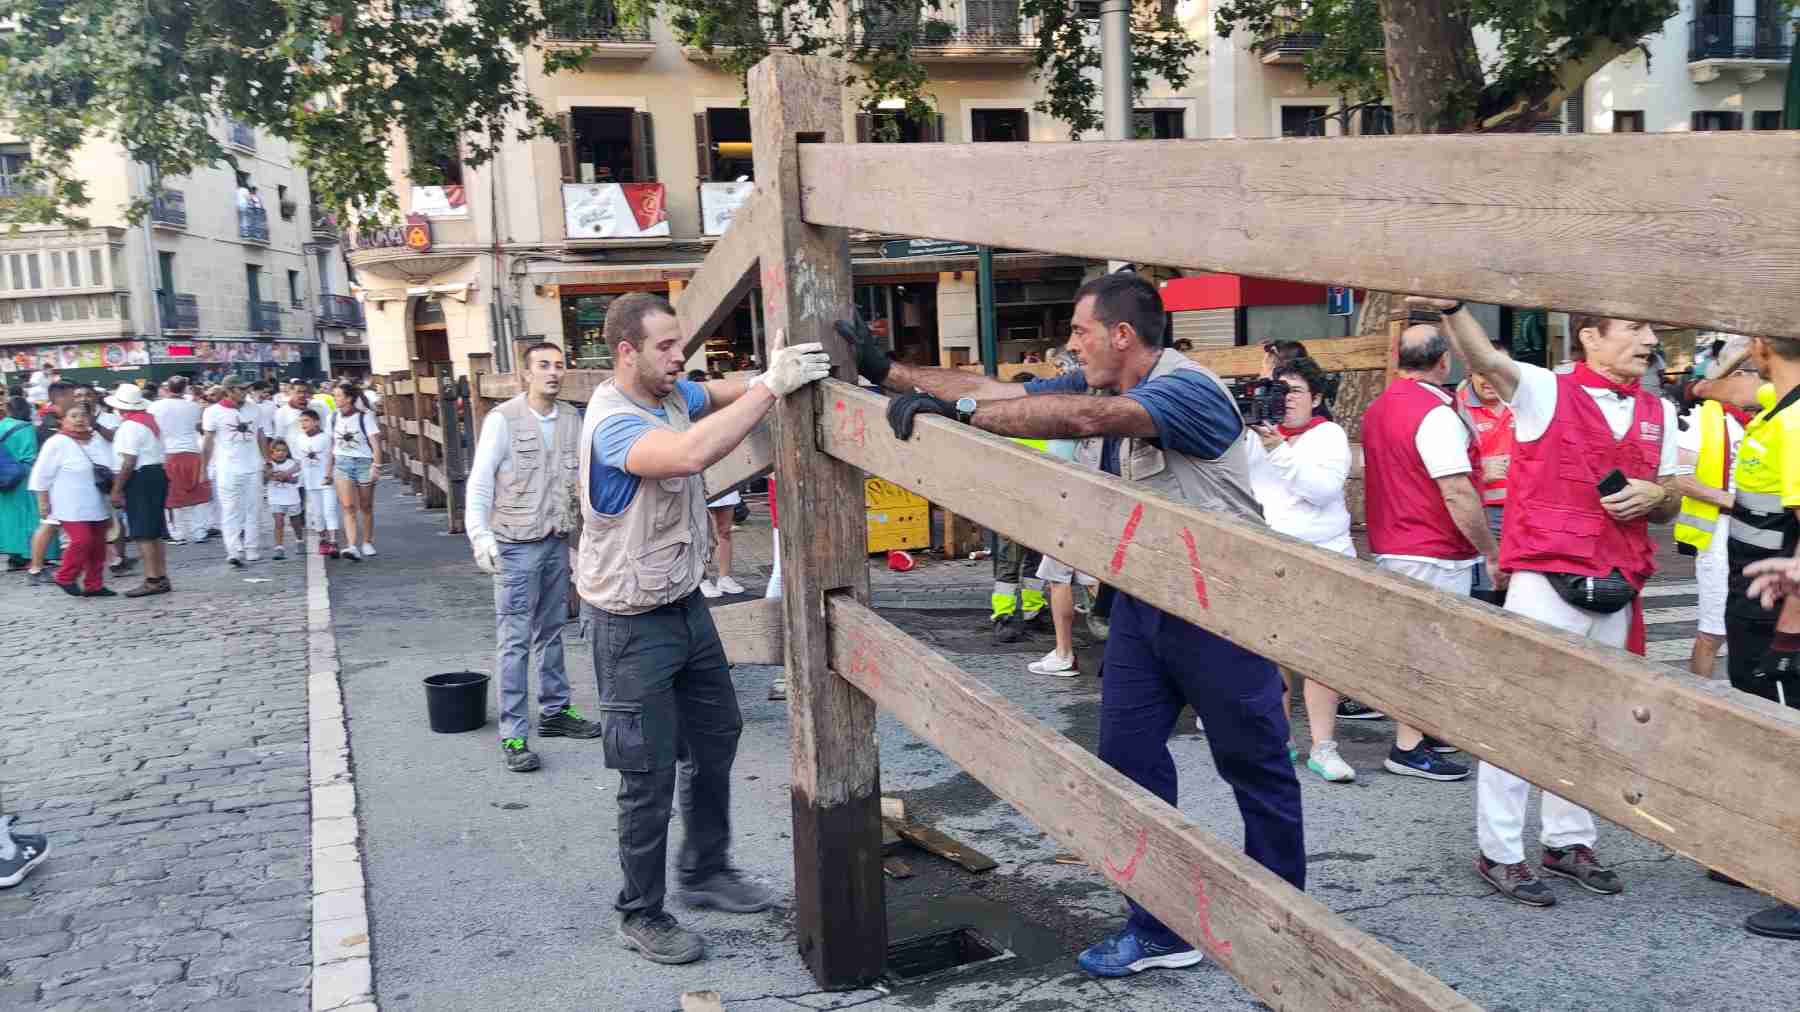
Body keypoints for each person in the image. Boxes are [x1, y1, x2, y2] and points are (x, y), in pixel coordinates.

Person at [866, 273, 1303, 979]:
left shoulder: (1185, 388)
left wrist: (963, 416)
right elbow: (1014, 392)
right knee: (1128, 767)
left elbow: (1082, 422)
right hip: (1142, 603)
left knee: (1255, 767)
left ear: (1121, 336)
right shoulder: (1099, 381)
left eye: (1080, 332)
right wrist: (889, 372)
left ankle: (1287, 935)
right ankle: (1161, 928)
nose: (1071, 345)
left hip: (1221, 606)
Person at [578, 293, 829, 965]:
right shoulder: (613, 426)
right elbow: (689, 455)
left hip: (684, 608)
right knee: (647, 772)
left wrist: (770, 371)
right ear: (626, 352)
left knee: (717, 736)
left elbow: (715, 391)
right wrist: (774, 386)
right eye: (664, 346)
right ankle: (641, 912)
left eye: (679, 344)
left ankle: (704, 869)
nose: (677, 356)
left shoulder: (669, 391)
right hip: (629, 623)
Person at [1426, 297, 1680, 909]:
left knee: (1591, 722)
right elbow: (1484, 356)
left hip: (1617, 583)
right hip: (1547, 580)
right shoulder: (1544, 390)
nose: (1648, 338)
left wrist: (1655, 496)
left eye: (1650, 328)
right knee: (1519, 718)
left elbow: (1670, 498)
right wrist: (1452, 309)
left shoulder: (1660, 411)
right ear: (1589, 336)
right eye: (1634, 326)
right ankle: (1500, 851)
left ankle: (1568, 841)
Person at [1360, 323, 1490, 784]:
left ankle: (1422, 733)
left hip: (1395, 541)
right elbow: (1456, 491)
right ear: (1443, 362)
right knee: (1427, 652)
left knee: (1414, 645)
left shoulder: (1378, 408)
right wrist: (1490, 550)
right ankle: (1409, 745)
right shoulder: (1436, 414)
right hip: (1434, 547)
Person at [465, 342, 600, 773]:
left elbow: (584, 482)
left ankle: (556, 712)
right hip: (515, 545)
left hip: (556, 541)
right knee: (515, 640)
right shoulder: (502, 419)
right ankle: (514, 733)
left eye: (560, 365)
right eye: (543, 366)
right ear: (525, 374)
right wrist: (479, 535)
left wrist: (585, 544)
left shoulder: (572, 420)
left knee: (552, 631)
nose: (553, 373)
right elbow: (481, 480)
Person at [1245, 356, 1357, 781]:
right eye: (1278, 391)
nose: (1285, 400)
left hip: (1323, 561)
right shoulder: (1256, 436)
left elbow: (1320, 490)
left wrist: (1277, 448)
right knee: (1273, 654)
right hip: (1272, 560)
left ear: (1317, 398)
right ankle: (1280, 738)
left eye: (1294, 392)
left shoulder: (1328, 436)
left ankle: (1324, 747)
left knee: (1321, 657)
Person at [1668, 344, 1760, 679]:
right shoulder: (1703, 419)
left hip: (1760, 536)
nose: (1765, 383)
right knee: (1713, 632)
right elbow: (1681, 479)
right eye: (1757, 375)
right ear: (1738, 377)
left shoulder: (1764, 421)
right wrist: (1734, 502)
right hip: (1720, 538)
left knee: (1755, 629)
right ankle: (1698, 701)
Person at [29, 403, 114, 597]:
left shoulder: (96, 440)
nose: (79, 419)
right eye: (73, 416)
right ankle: (65, 576)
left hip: (97, 501)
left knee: (98, 545)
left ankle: (94, 584)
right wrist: (43, 501)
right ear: (63, 420)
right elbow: (41, 475)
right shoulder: (57, 442)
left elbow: (110, 464)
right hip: (69, 504)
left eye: (83, 415)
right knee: (81, 540)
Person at [1455, 349, 1516, 594]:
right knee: (1486, 592)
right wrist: (1480, 470)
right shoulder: (1455, 407)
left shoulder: (1525, 402)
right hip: (1482, 513)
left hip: (1523, 511)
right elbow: (1445, 467)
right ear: (1470, 371)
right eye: (1482, 372)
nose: (1490, 379)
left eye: (1497, 371)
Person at [105, 384, 172, 597]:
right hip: (155, 474)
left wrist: (117, 489)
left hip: (141, 478)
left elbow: (128, 462)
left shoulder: (129, 427)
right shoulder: (149, 421)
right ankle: (160, 577)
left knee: (143, 532)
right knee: (154, 531)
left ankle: (152, 579)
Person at [202, 381, 271, 567]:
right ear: (229, 391)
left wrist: (267, 461)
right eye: (241, 389)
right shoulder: (212, 412)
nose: (246, 392)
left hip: (253, 466)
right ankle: (233, 550)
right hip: (227, 468)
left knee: (254, 509)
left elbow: (261, 436)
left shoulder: (255, 409)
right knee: (230, 510)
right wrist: (203, 469)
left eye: (247, 389)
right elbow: (207, 442)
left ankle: (252, 548)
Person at [152, 376, 210, 545]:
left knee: (172, 496)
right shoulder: (193, 407)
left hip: (168, 453)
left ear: (167, 388)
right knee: (197, 492)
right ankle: (199, 531)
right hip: (192, 452)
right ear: (185, 388)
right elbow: (198, 428)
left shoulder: (155, 407)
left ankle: (177, 533)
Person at [332, 381, 381, 560]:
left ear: (349, 398)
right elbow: (332, 444)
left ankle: (367, 541)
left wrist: (376, 465)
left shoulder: (365, 416)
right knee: (348, 506)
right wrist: (328, 469)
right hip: (342, 463)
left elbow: (375, 443)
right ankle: (352, 545)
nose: (335, 399)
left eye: (338, 396)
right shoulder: (333, 416)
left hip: (363, 462)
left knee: (366, 505)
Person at [0, 397, 47, 575]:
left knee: (8, 518)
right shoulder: (28, 428)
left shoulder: (2, 425)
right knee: (30, 517)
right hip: (26, 477)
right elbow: (32, 455)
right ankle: (31, 555)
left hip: (4, 477)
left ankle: (14, 556)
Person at [294, 410, 343, 557]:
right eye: (301, 421)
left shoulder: (326, 438)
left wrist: (328, 474)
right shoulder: (299, 439)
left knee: (329, 510)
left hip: (326, 480)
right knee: (317, 513)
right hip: (310, 481)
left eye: (306, 421)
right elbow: (298, 461)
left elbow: (331, 457)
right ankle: (323, 540)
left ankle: (333, 542)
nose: (303, 424)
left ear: (316, 422)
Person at [265, 438, 303, 561]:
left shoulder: (292, 463)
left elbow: (296, 480)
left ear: (287, 452)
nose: (280, 453)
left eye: (283, 450)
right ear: (272, 452)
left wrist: (284, 477)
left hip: (292, 498)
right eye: (277, 450)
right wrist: (269, 473)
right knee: (278, 522)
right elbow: (264, 480)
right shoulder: (268, 464)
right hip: (275, 498)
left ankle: (299, 540)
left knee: (295, 522)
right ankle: (279, 547)